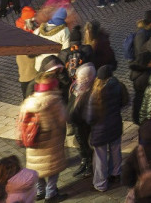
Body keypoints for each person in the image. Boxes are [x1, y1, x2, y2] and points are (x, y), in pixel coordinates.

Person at [20, 74, 69, 202]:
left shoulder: (29, 101)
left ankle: (40, 191)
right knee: (52, 169)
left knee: (37, 169)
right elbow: (61, 119)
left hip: (33, 143)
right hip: (50, 143)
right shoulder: (53, 101)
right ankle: (50, 194)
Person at [89, 65, 129, 192]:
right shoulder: (119, 86)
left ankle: (101, 184)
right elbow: (125, 101)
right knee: (115, 150)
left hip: (99, 129)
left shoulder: (94, 91)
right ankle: (116, 174)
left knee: (100, 157)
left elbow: (90, 113)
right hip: (115, 124)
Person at [67, 63, 97, 179]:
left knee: (87, 143)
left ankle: (90, 164)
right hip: (76, 122)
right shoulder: (75, 86)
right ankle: (84, 161)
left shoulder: (93, 89)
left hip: (85, 123)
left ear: (88, 78)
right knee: (80, 143)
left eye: (80, 78)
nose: (77, 79)